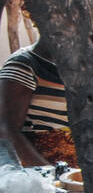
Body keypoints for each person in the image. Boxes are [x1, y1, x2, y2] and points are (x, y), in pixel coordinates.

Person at [0, 36, 72, 167]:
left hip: (75, 177)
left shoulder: (80, 67)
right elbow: (6, 129)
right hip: (40, 176)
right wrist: (50, 176)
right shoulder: (24, 64)